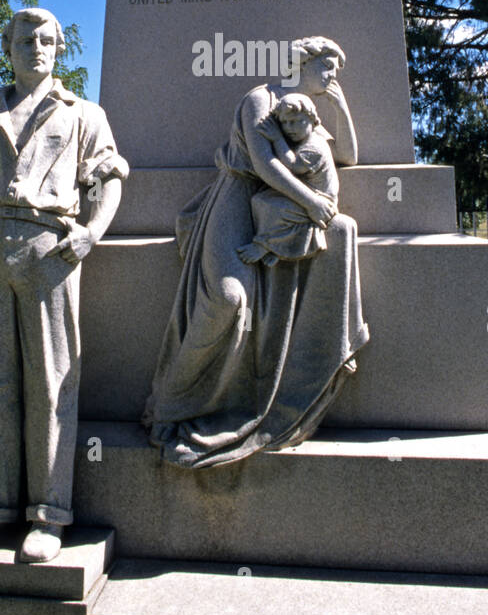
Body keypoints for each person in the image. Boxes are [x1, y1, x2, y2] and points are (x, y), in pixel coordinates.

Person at [0, 8, 128, 563]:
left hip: (50, 248)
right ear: (9, 47)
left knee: (51, 382)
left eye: (47, 39)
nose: (37, 47)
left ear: (59, 49)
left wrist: (91, 234)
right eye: (26, 39)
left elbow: (110, 176)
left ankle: (48, 517)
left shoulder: (84, 115)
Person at [143, 36, 368, 469]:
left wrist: (340, 107)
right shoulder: (259, 99)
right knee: (228, 300)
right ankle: (169, 404)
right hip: (238, 197)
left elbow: (349, 158)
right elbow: (265, 166)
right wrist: (311, 202)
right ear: (301, 63)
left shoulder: (309, 114)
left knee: (337, 235)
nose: (333, 76)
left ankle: (265, 399)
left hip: (278, 209)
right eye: (327, 68)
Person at [238, 92, 338, 266]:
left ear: (312, 119)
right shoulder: (302, 142)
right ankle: (280, 248)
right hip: (307, 190)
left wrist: (277, 138)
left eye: (295, 122)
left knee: (274, 208)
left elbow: (293, 166)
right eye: (284, 123)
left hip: (322, 198)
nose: (289, 128)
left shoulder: (316, 147)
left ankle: (265, 245)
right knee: (260, 200)